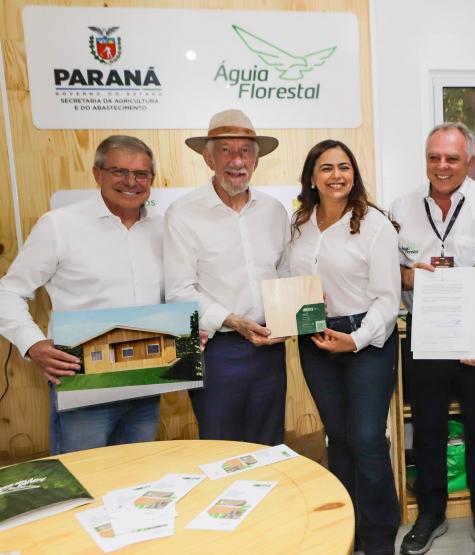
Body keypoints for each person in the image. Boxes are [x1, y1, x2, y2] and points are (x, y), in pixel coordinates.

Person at [0, 135, 163, 454]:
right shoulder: (60, 226)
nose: (131, 182)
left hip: (148, 380)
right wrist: (32, 343)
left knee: (138, 475)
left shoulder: (164, 229)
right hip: (84, 383)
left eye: (141, 174)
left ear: (151, 180)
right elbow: (8, 291)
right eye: (118, 171)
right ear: (97, 173)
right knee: (83, 481)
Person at [390, 122, 475, 555]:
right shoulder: (401, 205)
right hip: (423, 332)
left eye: (452, 158)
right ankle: (431, 513)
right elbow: (391, 270)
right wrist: (409, 275)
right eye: (434, 157)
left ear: (469, 162)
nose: (442, 166)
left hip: (474, 334)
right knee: (429, 429)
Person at [285, 140, 401, 555]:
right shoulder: (298, 224)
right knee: (339, 437)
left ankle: (380, 533)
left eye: (345, 167)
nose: (337, 175)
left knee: (368, 438)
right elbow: (289, 283)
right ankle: (348, 527)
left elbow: (389, 300)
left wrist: (355, 339)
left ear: (354, 174)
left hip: (365, 340)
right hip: (314, 339)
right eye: (327, 168)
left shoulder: (375, 225)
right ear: (312, 178)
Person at [164, 109, 290, 445]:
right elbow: (178, 290)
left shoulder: (275, 211)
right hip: (214, 349)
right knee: (221, 447)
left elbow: (286, 275)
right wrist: (234, 321)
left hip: (269, 348)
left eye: (245, 151)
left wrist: (298, 311)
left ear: (257, 161)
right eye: (226, 150)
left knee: (269, 445)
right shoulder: (183, 213)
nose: (237, 160)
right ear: (208, 158)